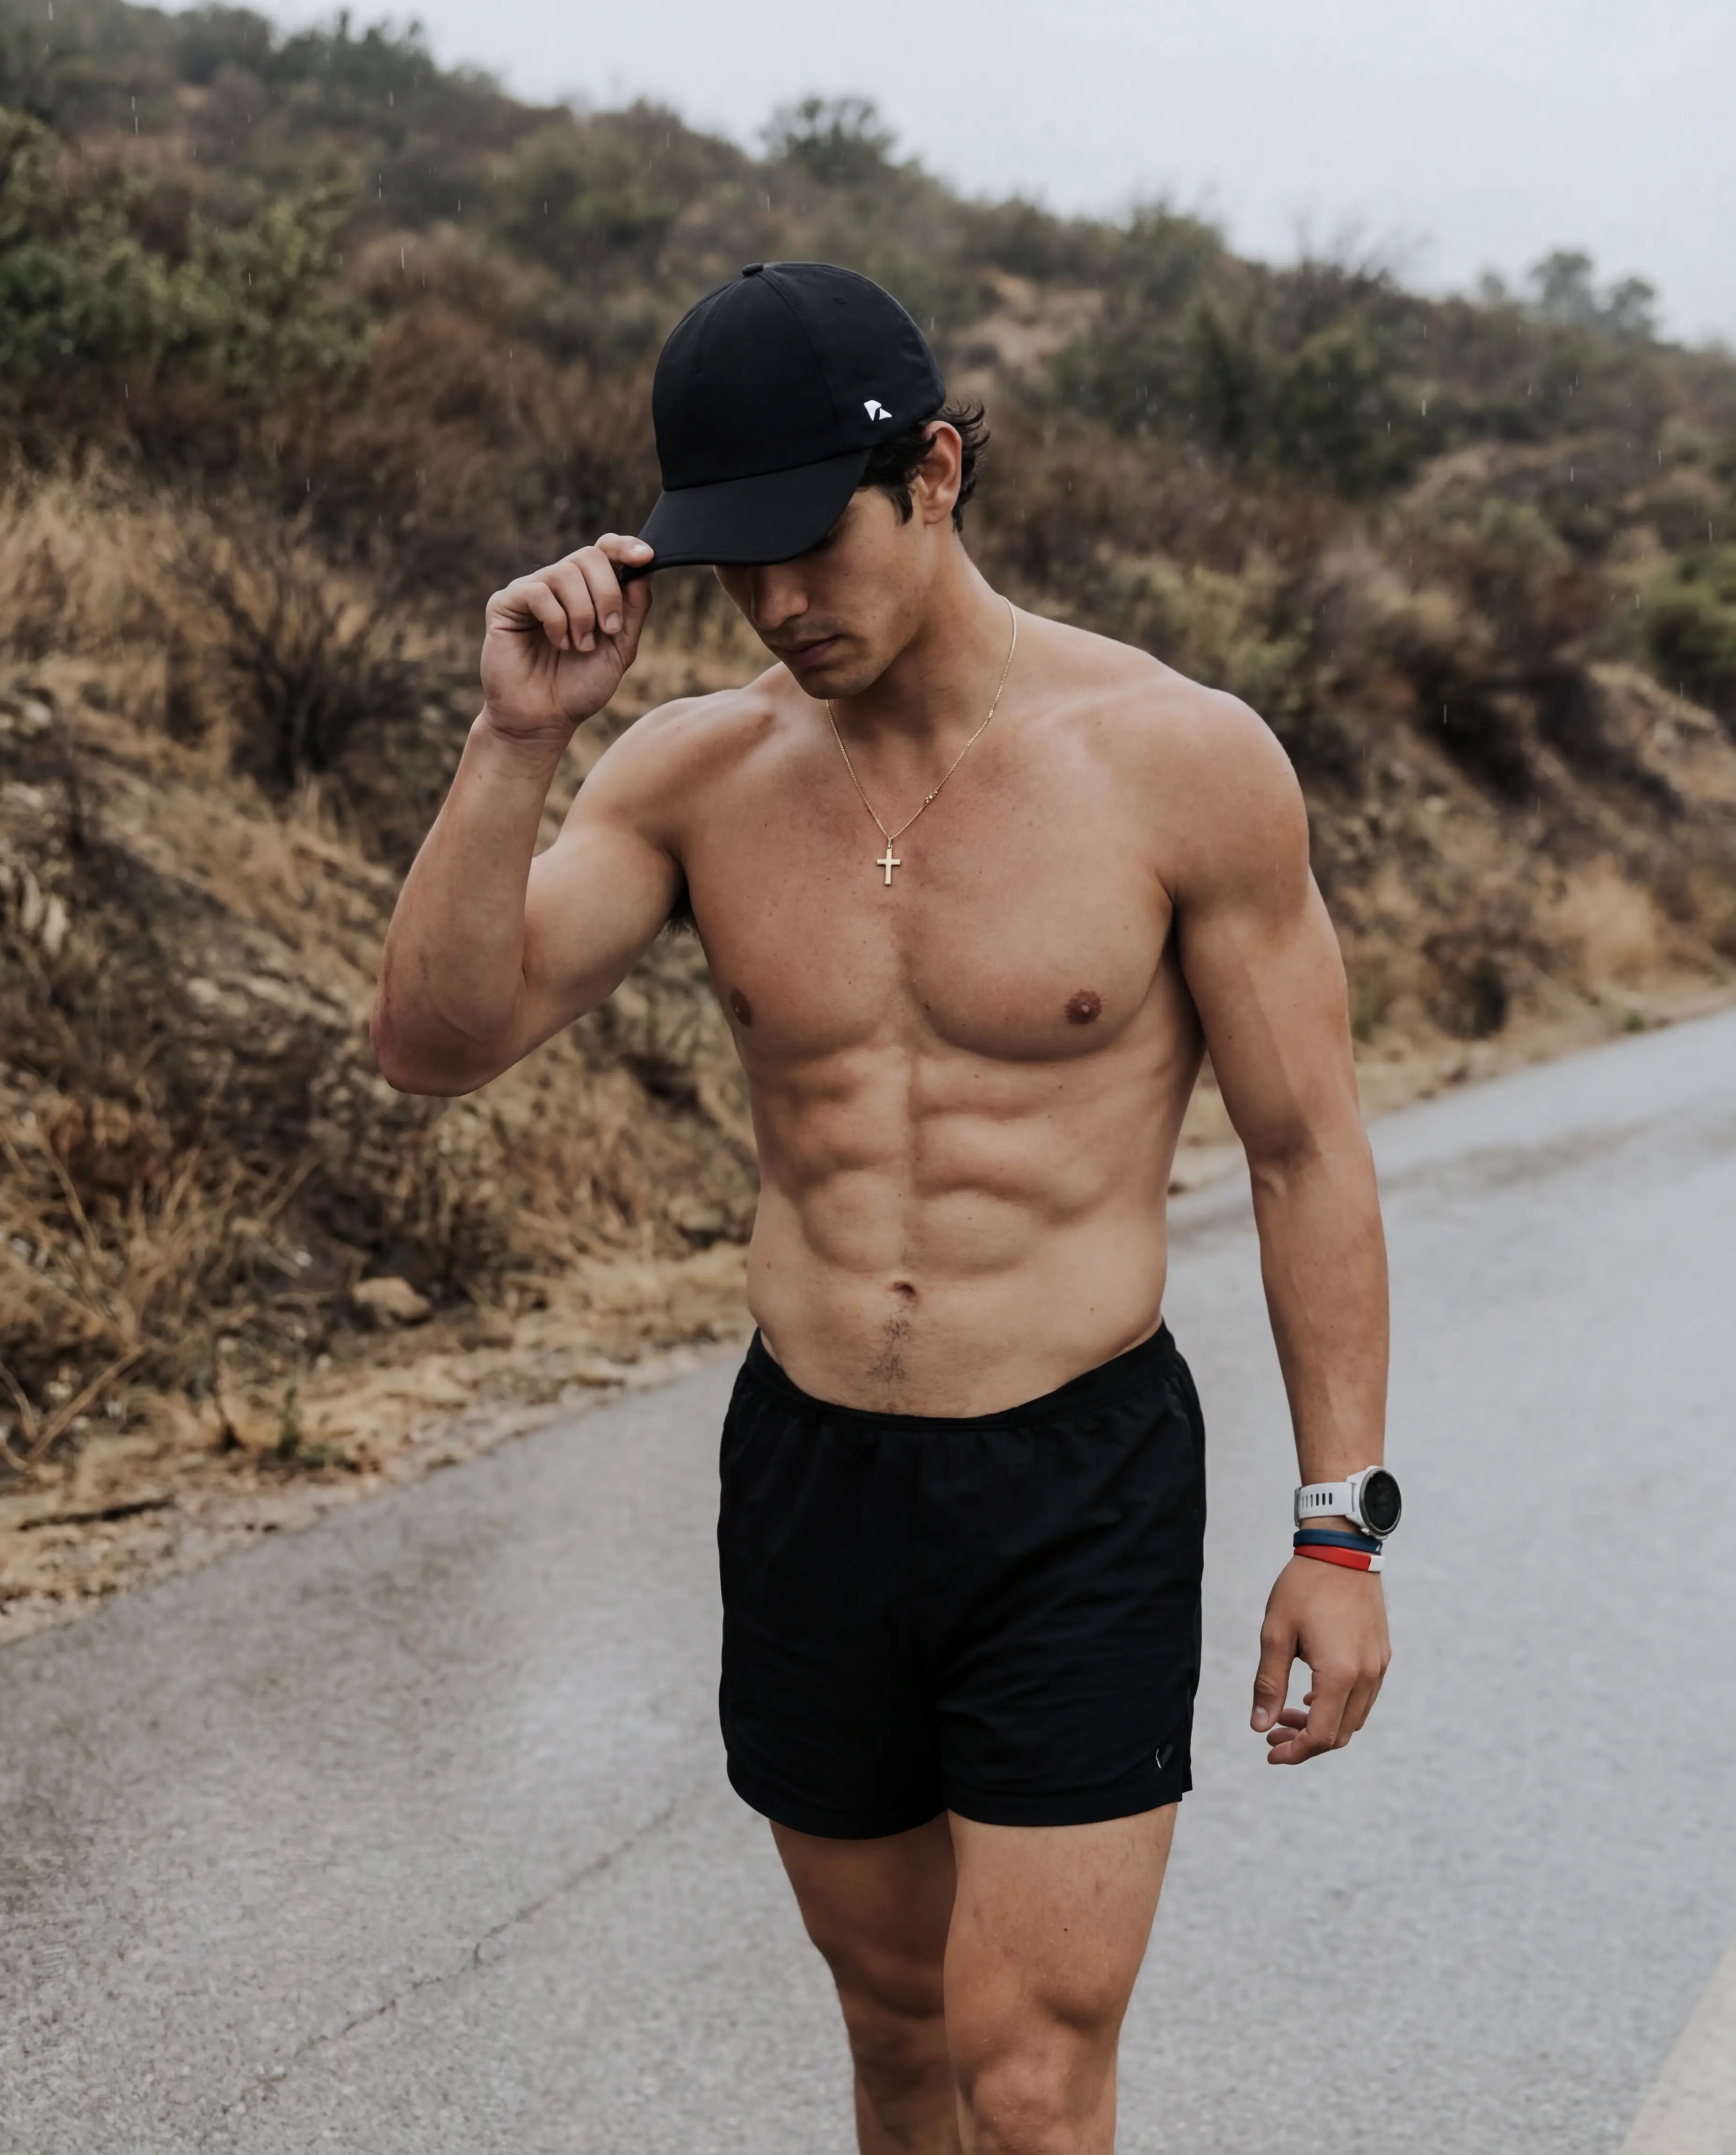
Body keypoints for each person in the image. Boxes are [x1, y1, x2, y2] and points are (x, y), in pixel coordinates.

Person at [373, 261, 1395, 2155]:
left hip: (1072, 1480)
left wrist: (1339, 1536)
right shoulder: (691, 772)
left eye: (806, 544)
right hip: (815, 1475)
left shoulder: (1178, 762)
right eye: (727, 560)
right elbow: (437, 1041)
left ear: (931, 472)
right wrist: (516, 738)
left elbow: (1303, 1152)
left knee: (1027, 2073)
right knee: (900, 2047)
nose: (773, 604)